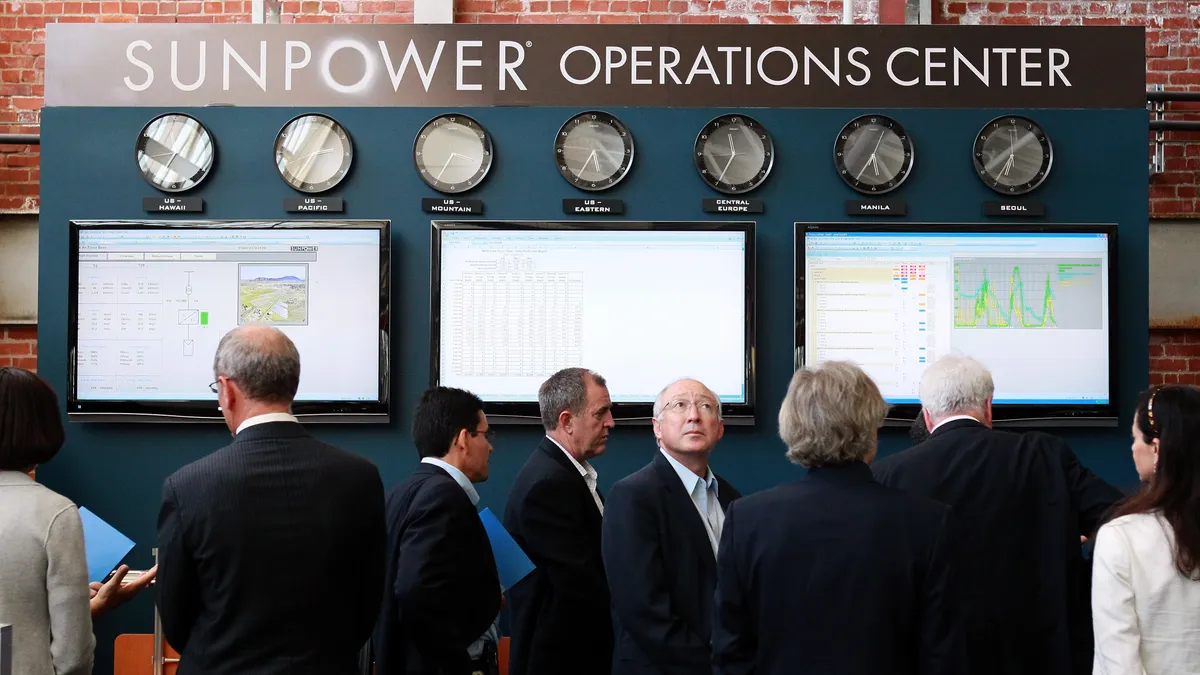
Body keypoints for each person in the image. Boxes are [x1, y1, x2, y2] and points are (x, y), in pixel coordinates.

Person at [871, 354, 1124, 675]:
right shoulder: (1044, 455)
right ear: (989, 406)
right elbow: (1122, 519)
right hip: (1039, 656)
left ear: (927, 416)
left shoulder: (889, 476)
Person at [156, 325, 386, 675]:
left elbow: (176, 619)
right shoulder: (360, 478)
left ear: (227, 390)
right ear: (292, 384)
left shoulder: (187, 487)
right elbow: (368, 603)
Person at [712, 361, 963, 675]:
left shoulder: (747, 520)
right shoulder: (928, 522)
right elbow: (942, 656)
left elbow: (731, 652)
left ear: (792, 427)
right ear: (870, 427)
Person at [602, 378, 742, 675]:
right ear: (657, 427)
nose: (694, 415)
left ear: (719, 428)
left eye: (705, 406)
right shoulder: (633, 496)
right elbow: (643, 610)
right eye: (680, 405)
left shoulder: (733, 499)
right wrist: (711, 665)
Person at [373, 386, 501, 675]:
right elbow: (414, 590)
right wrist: (454, 661)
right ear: (464, 439)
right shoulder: (443, 496)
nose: (490, 447)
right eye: (485, 434)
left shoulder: (401, 493)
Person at [503, 367, 615, 675]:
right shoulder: (548, 484)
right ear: (566, 421)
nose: (610, 422)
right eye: (600, 413)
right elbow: (582, 587)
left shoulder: (559, 473)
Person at [1091, 385, 1200, 674]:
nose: (1132, 447)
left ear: (1156, 449)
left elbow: (1119, 661)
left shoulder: (1120, 538)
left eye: (1135, 438)